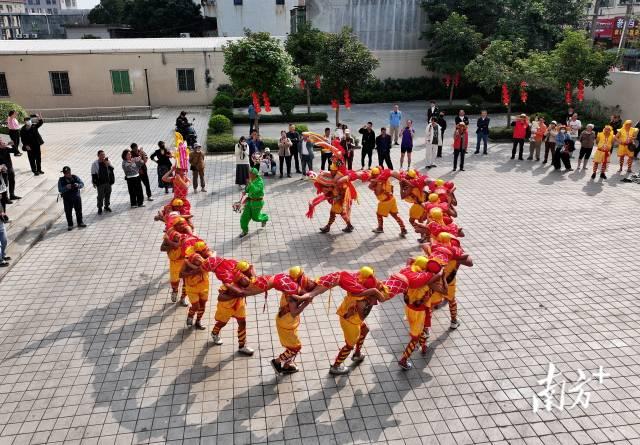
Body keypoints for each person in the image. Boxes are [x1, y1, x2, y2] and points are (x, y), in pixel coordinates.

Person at [299, 267, 385, 375]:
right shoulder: (362, 300)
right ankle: (336, 366)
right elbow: (363, 316)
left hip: (350, 318)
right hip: (350, 322)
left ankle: (357, 354)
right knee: (349, 345)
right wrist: (374, 295)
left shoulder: (357, 287)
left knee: (365, 330)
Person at [270, 267, 317, 374]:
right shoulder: (292, 294)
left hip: (287, 322)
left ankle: (287, 366)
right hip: (287, 324)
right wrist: (306, 302)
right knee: (296, 348)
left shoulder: (291, 286)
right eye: (302, 275)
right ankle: (277, 361)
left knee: (292, 346)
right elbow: (294, 312)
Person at [180, 240, 213, 330]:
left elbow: (208, 267)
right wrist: (193, 270)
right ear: (199, 252)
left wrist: (196, 268)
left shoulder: (207, 257)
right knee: (196, 306)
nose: (207, 250)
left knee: (203, 305)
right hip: (192, 288)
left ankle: (198, 321)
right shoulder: (190, 259)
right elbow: (181, 275)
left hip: (204, 286)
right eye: (204, 250)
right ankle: (190, 316)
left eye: (206, 249)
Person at [368, 167, 407, 237]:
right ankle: (403, 228)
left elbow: (378, 192)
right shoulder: (385, 178)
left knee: (379, 214)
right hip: (392, 199)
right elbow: (392, 187)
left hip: (385, 201)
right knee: (395, 215)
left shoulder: (379, 182)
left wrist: (374, 185)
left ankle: (380, 228)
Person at [239, 168, 268, 238]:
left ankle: (264, 218)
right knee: (244, 218)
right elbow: (248, 188)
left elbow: (255, 190)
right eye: (249, 173)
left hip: (257, 203)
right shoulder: (251, 179)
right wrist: (245, 191)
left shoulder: (260, 182)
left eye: (250, 174)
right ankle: (244, 231)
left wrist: (250, 183)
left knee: (256, 218)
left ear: (254, 174)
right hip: (249, 202)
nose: (249, 175)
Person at [58, 166, 86, 231]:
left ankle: (80, 222)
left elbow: (82, 184)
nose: (67, 174)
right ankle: (70, 225)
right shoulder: (61, 180)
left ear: (70, 172)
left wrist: (77, 185)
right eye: (65, 173)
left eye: (68, 172)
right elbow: (60, 189)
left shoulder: (75, 177)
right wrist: (66, 187)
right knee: (68, 212)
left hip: (76, 197)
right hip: (67, 199)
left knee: (79, 211)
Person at [91, 150, 114, 215]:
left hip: (108, 182)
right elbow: (93, 173)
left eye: (104, 154)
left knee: (108, 194)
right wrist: (94, 182)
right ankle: (100, 207)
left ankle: (106, 206)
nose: (103, 156)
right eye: (101, 155)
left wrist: (108, 164)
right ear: (98, 155)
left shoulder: (108, 161)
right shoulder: (95, 164)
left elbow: (112, 169)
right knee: (100, 196)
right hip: (100, 183)